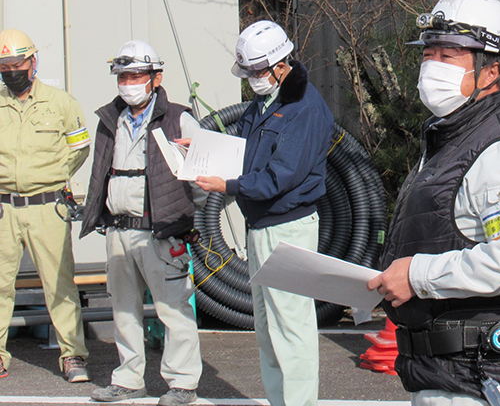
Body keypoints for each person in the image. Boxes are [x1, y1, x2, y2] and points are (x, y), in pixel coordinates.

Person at [367, 0, 500, 406]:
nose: (432, 66)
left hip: (478, 380)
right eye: (427, 54)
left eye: (448, 55)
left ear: (490, 71)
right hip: (450, 375)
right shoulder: (454, 135)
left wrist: (417, 275)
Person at [195, 20, 334, 406]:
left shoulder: (304, 109)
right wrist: (201, 145)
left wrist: (228, 187)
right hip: (262, 227)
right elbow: (242, 149)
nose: (253, 79)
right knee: (269, 326)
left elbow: (279, 177)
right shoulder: (265, 103)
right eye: (249, 72)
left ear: (280, 64)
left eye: (257, 71)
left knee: (291, 328)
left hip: (288, 228)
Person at [81, 41, 204, 406]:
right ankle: (128, 379)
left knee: (173, 307)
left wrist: (183, 219)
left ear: (155, 78)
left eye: (136, 75)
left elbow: (202, 177)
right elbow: (100, 172)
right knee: (123, 308)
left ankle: (182, 382)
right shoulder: (110, 120)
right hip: (118, 230)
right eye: (123, 76)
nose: (128, 82)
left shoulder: (179, 118)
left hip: (161, 232)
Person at [0, 28, 91, 383]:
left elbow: (80, 147)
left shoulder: (60, 103)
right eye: (4, 65)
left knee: (59, 283)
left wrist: (54, 176)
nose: (11, 71)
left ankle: (73, 356)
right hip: (4, 208)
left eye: (17, 63)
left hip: (47, 206)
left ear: (33, 62)